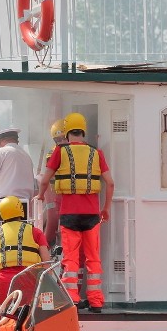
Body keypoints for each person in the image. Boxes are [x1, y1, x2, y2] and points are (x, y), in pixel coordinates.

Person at [36, 112, 114, 312]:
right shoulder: (96, 153)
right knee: (93, 258)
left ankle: (73, 300)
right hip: (92, 216)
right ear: (83, 131)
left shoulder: (60, 152)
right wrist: (105, 208)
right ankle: (96, 302)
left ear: (67, 131)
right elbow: (110, 183)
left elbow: (45, 180)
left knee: (71, 260)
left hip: (69, 215)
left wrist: (41, 195)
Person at [0, 196, 50, 331]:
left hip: (2, 282)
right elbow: (46, 262)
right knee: (27, 315)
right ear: (20, 210)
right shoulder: (35, 232)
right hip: (28, 279)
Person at [39, 119, 68, 246]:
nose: (61, 142)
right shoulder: (52, 154)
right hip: (59, 195)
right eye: (57, 140)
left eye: (63, 138)